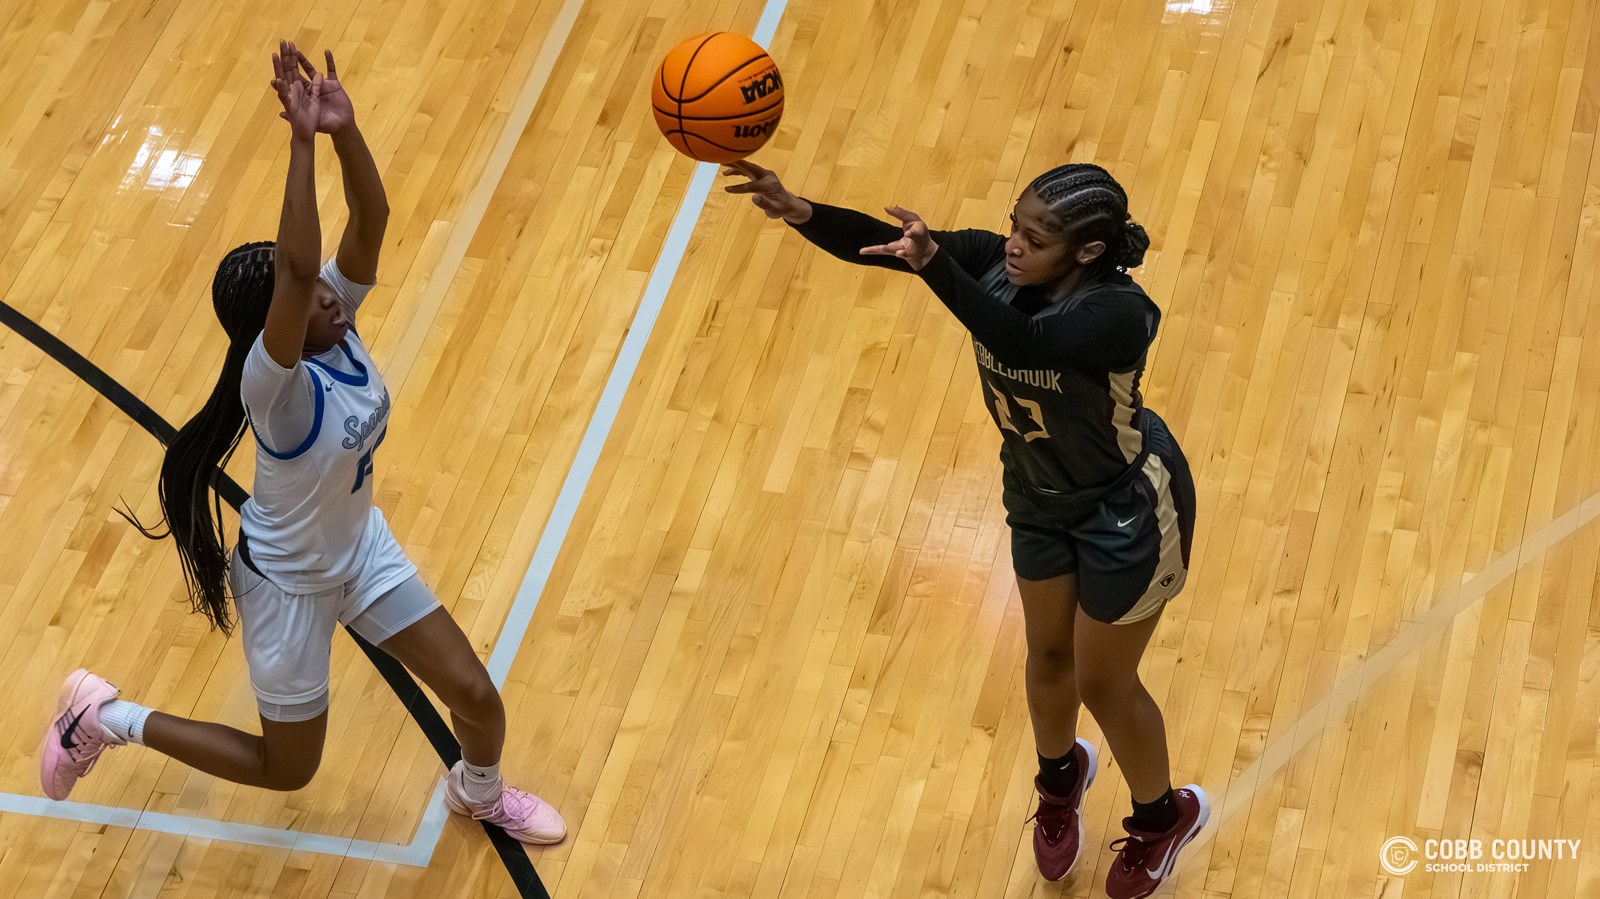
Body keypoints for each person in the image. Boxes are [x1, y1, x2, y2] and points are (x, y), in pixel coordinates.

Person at [38, 41, 564, 846]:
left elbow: (371, 219)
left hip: (359, 552)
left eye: (328, 286)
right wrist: (297, 142)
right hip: (288, 586)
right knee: (289, 769)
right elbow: (291, 270)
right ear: (278, 322)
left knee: (479, 699)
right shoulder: (273, 388)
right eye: (314, 292)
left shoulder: (334, 322)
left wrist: (344, 130)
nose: (333, 293)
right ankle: (107, 717)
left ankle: (478, 791)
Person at [722, 159, 1207, 896]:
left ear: (1085, 253)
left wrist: (934, 269)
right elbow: (887, 243)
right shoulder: (987, 261)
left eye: (1034, 237)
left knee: (1105, 682)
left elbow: (1023, 343)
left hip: (1125, 508)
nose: (1012, 244)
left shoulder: (1118, 313)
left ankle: (1160, 816)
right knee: (1047, 659)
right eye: (1013, 223)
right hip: (1038, 491)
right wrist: (800, 210)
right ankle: (1060, 778)